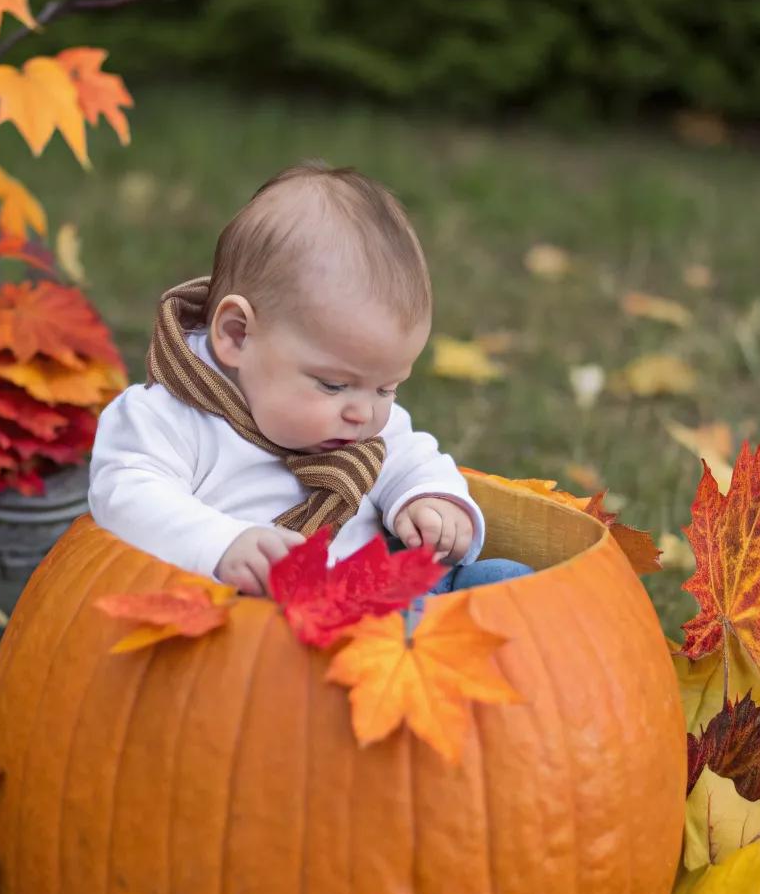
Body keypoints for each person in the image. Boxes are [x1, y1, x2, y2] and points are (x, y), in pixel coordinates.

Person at [89, 162, 533, 597]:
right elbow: (126, 497)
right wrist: (221, 543)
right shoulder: (168, 419)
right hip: (267, 629)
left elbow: (411, 456)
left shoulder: (361, 420)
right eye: (333, 385)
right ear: (237, 336)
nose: (364, 412)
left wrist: (430, 499)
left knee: (510, 583)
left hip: (380, 582)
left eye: (387, 387)